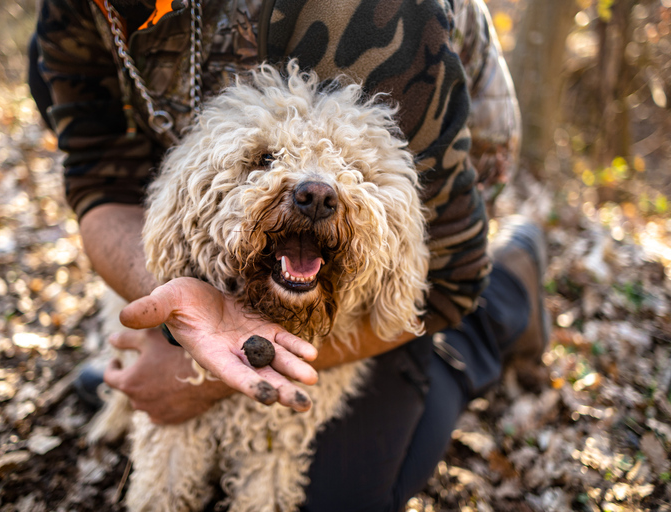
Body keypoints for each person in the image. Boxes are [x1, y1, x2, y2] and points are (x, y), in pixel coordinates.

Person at [29, 0, 548, 509]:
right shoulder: (74, 13)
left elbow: (446, 277)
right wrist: (181, 316)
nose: (313, 197)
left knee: (340, 497)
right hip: (212, 147)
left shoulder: (381, 10)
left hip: (435, 156)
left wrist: (216, 379)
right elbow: (102, 181)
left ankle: (503, 296)